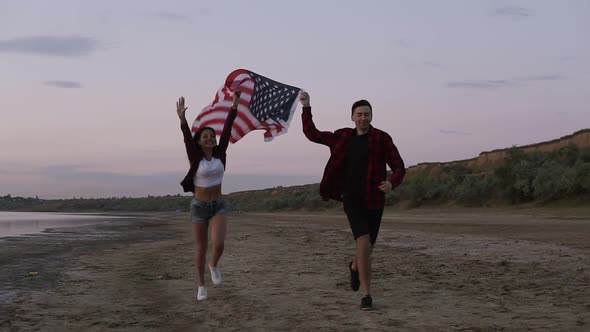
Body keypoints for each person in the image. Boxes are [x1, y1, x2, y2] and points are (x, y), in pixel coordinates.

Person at [299, 91, 405, 310]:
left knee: (367, 248)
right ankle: (367, 295)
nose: (363, 118)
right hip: (351, 199)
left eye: (366, 114)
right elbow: (312, 134)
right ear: (352, 117)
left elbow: (399, 167)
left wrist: (392, 183)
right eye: (359, 114)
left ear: (371, 116)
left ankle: (355, 267)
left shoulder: (382, 139)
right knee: (363, 241)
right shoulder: (342, 137)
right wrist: (306, 106)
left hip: (375, 199)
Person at [176, 91, 240, 301]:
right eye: (206, 137)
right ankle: (201, 285)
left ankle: (214, 265)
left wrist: (234, 106)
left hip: (218, 205)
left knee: (219, 244)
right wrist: (182, 119)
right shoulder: (195, 157)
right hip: (199, 207)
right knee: (201, 248)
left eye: (212, 136)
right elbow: (187, 138)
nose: (211, 138)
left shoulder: (220, 154)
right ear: (200, 142)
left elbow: (228, 129)